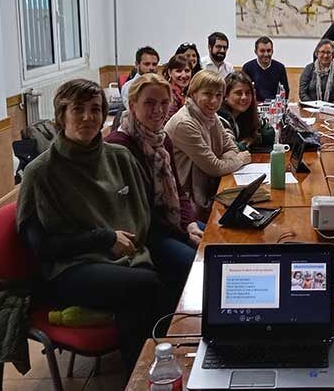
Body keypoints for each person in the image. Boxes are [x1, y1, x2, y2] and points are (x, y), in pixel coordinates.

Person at [16, 79, 162, 371]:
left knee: (172, 280)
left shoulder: (120, 158)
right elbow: (43, 248)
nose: (87, 117)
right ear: (61, 116)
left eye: (95, 109)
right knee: (148, 287)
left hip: (127, 255)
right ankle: (145, 373)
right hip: (70, 268)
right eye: (77, 109)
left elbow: (143, 213)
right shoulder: (40, 173)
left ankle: (143, 375)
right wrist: (104, 238)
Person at [106, 74, 201, 315]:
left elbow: (179, 190)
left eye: (163, 103)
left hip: (170, 223)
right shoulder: (119, 146)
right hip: (143, 233)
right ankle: (176, 324)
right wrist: (182, 232)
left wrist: (189, 223)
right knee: (193, 261)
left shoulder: (162, 138)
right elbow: (138, 211)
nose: (158, 110)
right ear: (132, 104)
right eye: (149, 103)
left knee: (216, 237)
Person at [165, 71, 252, 221]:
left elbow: (231, 148)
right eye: (208, 94)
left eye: (218, 95)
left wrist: (224, 160)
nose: (214, 101)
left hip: (208, 190)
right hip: (185, 204)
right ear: (193, 92)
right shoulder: (184, 123)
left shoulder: (211, 115)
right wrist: (240, 160)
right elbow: (215, 168)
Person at [218, 72, 275, 151]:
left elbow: (269, 134)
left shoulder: (247, 112)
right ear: (226, 96)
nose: (244, 97)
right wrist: (247, 143)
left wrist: (252, 139)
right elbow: (232, 148)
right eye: (238, 93)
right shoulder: (220, 116)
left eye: (248, 93)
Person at [241, 36, 290, 101]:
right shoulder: (247, 67)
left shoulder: (280, 67)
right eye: (262, 51)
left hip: (274, 106)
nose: (266, 54)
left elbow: (285, 90)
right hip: (254, 105)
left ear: (272, 51)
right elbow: (244, 90)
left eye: (269, 51)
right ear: (256, 52)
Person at [162, 54, 191, 121]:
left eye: (187, 71)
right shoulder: (168, 94)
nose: (184, 75)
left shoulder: (184, 92)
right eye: (179, 71)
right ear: (169, 72)